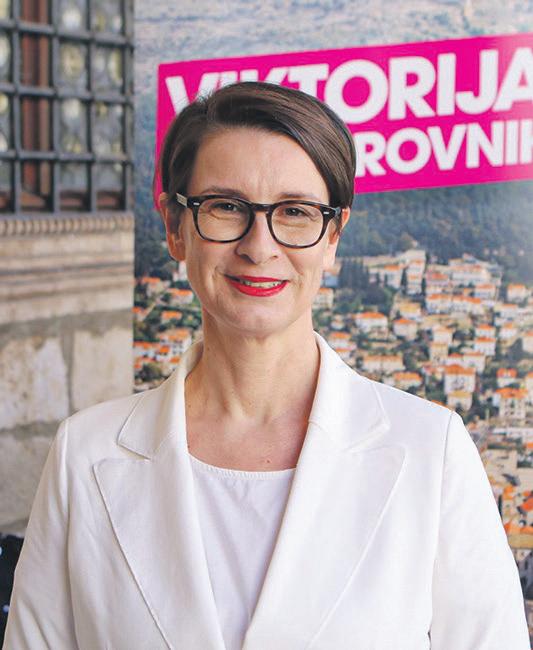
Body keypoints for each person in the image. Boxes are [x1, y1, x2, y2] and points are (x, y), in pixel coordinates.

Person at [3, 81, 529, 650]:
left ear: (333, 237)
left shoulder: (432, 451)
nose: (259, 246)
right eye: (226, 207)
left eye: (295, 212)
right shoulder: (84, 454)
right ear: (175, 227)